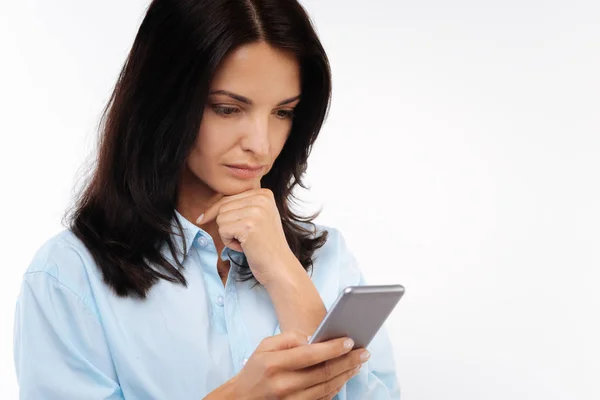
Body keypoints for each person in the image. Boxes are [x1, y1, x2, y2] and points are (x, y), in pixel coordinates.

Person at [13, 0, 400, 398]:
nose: (261, 145)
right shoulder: (69, 278)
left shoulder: (330, 260)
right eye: (227, 108)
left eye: (283, 113)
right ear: (163, 102)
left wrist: (285, 274)